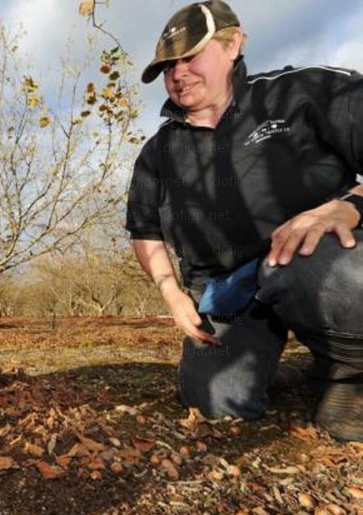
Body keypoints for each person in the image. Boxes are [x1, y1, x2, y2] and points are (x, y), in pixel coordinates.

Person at [126, 0, 363, 442]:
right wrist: (171, 292)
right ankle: (283, 361)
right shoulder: (157, 154)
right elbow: (145, 231)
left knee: (311, 263)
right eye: (167, 67)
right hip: (228, 291)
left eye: (190, 55)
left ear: (233, 44)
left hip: (317, 263)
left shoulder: (304, 92)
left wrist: (348, 204)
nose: (177, 75)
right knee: (215, 402)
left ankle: (349, 371)